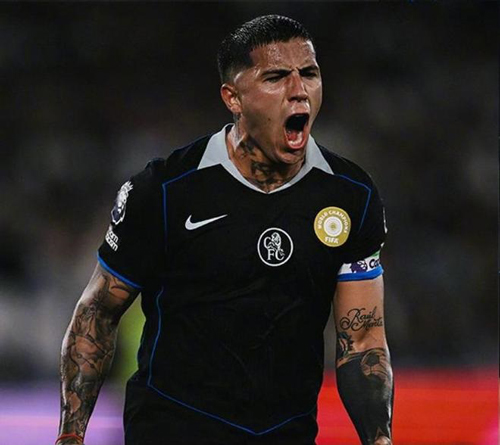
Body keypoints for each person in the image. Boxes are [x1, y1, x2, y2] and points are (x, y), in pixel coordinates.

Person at [57, 15, 393, 445]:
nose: (298, 90)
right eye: (276, 77)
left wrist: (380, 440)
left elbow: (362, 341)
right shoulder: (165, 191)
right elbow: (98, 312)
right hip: (173, 430)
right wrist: (71, 435)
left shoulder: (351, 195)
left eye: (309, 73)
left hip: (285, 434)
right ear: (232, 97)